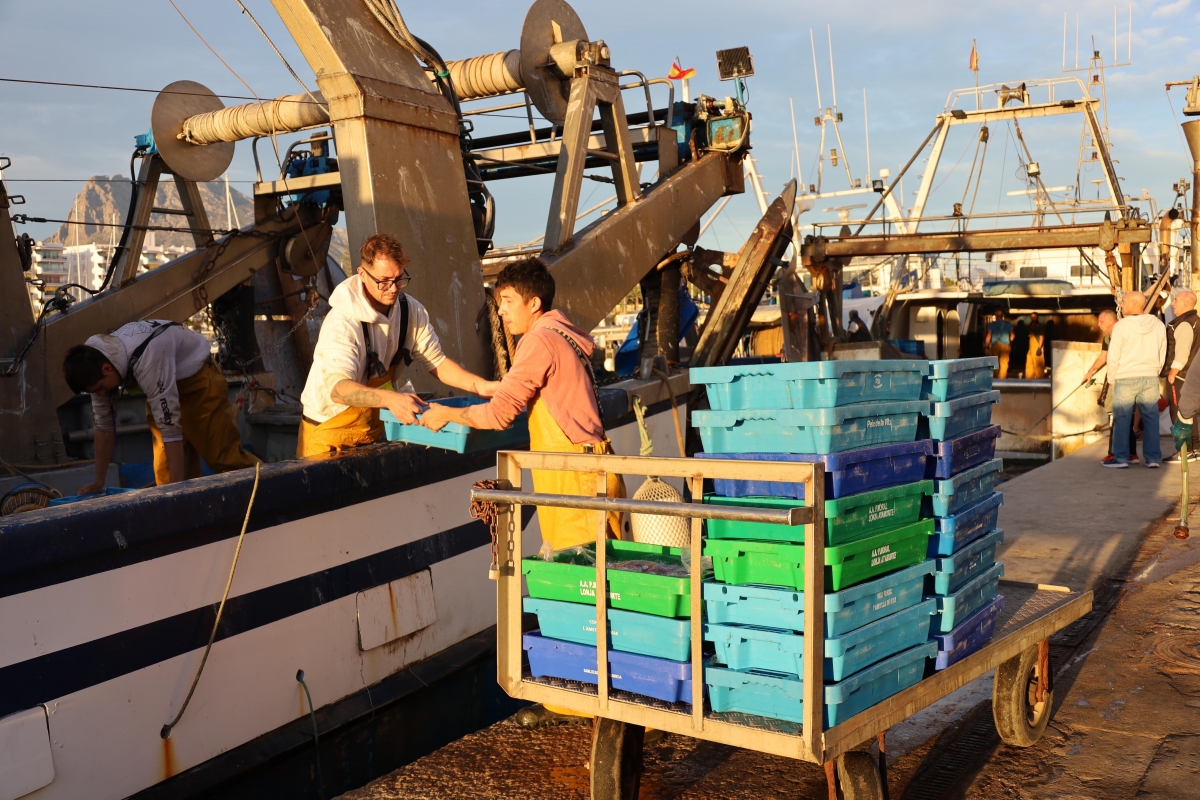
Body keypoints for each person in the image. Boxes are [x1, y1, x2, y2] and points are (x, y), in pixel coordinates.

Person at [422, 257, 625, 729]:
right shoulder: (563, 334)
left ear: (534, 303)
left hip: (574, 477)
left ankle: (605, 704)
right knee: (593, 580)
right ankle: (588, 693)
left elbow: (499, 414)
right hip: (589, 468)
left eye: (508, 301)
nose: (501, 311)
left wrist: (445, 414)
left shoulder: (537, 340)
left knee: (586, 585)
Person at [297, 233, 492, 457]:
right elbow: (338, 390)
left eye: (399, 279)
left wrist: (482, 386)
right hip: (326, 434)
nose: (392, 288)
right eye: (383, 281)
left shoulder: (411, 311)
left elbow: (437, 362)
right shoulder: (343, 323)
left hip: (371, 430)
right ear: (362, 274)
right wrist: (392, 399)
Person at [63, 320, 260, 490]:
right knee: (165, 474)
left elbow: (170, 429)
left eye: (100, 388)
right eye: (95, 392)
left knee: (224, 458)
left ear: (107, 369)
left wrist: (176, 492)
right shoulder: (93, 363)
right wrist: (99, 481)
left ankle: (266, 487)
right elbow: (104, 426)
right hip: (161, 382)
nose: (101, 394)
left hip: (197, 381)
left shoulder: (148, 359)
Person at [1103, 292, 1166, 468]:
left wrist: (1112, 377)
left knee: (1122, 419)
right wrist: (1155, 370)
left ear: (1133, 303)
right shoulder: (1158, 324)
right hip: (1150, 375)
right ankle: (1153, 458)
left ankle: (1121, 458)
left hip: (1125, 376)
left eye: (1123, 302)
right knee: (1151, 418)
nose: (1121, 305)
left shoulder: (1121, 326)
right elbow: (1162, 351)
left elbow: (1113, 355)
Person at [1083, 309, 1139, 464]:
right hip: (1114, 377)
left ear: (1111, 320)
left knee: (1117, 413)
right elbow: (1104, 356)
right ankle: (1131, 453)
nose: (1098, 324)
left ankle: (1115, 453)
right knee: (1118, 413)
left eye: (1101, 321)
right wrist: (1091, 371)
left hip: (1125, 377)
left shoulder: (1124, 332)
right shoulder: (1108, 337)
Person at [1164, 290, 1200, 463]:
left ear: (1185, 303)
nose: (1173, 303)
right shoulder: (1196, 321)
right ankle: (1196, 448)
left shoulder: (1185, 323)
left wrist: (1173, 372)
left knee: (1179, 413)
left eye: (1176, 300)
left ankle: (1186, 451)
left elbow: (1182, 352)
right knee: (1189, 411)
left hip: (1181, 376)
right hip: (1191, 374)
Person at [984, 310, 1014, 378]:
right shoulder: (1008, 324)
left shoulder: (992, 325)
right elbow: (1012, 335)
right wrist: (1010, 341)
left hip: (994, 344)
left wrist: (986, 347)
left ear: (995, 316)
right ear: (1002, 316)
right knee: (1004, 362)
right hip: (1005, 345)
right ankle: (1002, 378)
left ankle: (995, 377)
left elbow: (988, 336)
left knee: (994, 362)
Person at [1025, 312, 1046, 379]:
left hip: (1037, 346)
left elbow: (1042, 337)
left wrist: (1039, 348)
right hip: (1031, 348)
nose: (1033, 318)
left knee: (1038, 365)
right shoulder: (1030, 325)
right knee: (1029, 364)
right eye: (1032, 317)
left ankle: (1040, 379)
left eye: (1034, 317)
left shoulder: (1039, 326)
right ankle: (1029, 378)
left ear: (1037, 317)